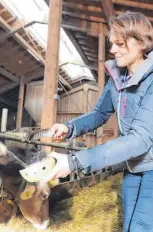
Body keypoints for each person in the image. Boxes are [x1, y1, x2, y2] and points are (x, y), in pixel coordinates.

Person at [43, 11, 153, 232]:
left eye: (120, 43)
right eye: (112, 43)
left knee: (142, 227)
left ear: (141, 42)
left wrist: (75, 162)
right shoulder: (117, 80)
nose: (112, 50)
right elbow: (99, 114)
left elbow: (140, 139)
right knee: (129, 224)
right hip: (132, 167)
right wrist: (70, 127)